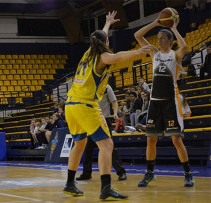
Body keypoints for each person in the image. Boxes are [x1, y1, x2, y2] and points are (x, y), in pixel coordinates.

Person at [63, 10, 152, 200]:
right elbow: (117, 57)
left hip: (70, 105)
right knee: (107, 144)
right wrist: (138, 51)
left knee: (79, 144)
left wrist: (107, 24)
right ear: (105, 43)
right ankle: (106, 188)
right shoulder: (102, 57)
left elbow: (99, 37)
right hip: (85, 105)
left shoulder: (88, 53)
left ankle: (70, 183)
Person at [134, 15, 195, 187]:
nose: (159, 41)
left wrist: (174, 28)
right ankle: (149, 173)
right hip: (155, 101)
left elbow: (184, 46)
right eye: (158, 38)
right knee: (150, 140)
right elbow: (138, 36)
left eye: (163, 38)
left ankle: (188, 174)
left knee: (176, 140)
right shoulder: (153, 52)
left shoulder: (175, 55)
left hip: (170, 101)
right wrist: (155, 23)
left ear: (169, 41)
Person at [76, 84, 127, 181]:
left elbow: (114, 101)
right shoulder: (88, 88)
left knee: (109, 147)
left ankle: (121, 172)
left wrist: (115, 113)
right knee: (88, 148)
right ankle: (86, 173)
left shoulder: (107, 87)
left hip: (104, 121)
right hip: (91, 121)